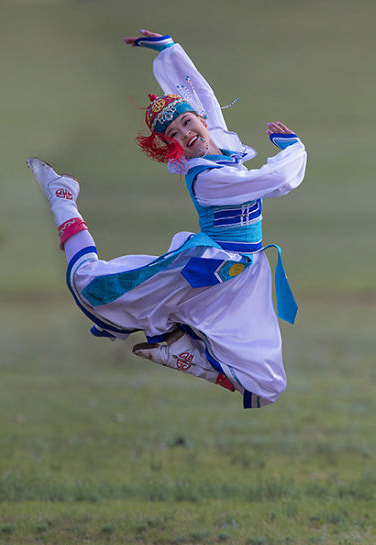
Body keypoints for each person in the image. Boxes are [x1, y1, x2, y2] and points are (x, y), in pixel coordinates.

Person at [26, 29, 307, 409]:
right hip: (207, 266)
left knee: (268, 386)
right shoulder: (207, 177)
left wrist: (169, 50)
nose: (186, 134)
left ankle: (180, 351)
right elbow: (276, 179)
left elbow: (202, 96)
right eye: (174, 135)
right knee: (90, 282)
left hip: (245, 275)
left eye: (188, 123)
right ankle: (62, 197)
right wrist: (294, 148)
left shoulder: (222, 142)